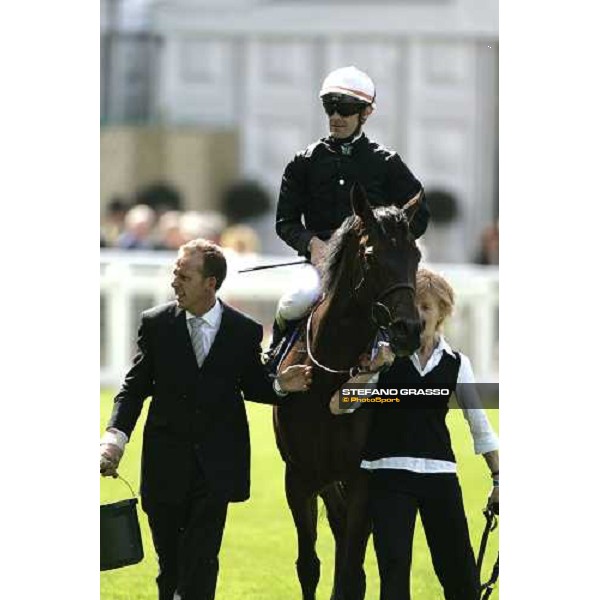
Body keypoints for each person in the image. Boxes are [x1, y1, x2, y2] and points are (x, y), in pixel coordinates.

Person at [100, 238, 312, 600]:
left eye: (183, 275)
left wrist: (281, 385)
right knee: (171, 566)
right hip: (165, 463)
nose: (174, 282)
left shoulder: (242, 331)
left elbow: (254, 385)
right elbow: (134, 388)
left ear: (210, 283)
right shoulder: (156, 324)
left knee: (202, 557)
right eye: (174, 274)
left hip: (216, 467)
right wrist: (114, 439)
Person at [330, 268, 499, 600]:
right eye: (412, 306)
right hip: (388, 475)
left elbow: (479, 424)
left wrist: (499, 479)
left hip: (440, 477)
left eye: (426, 307)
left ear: (442, 313)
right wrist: (373, 370)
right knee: (394, 575)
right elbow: (339, 405)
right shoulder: (385, 357)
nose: (417, 315)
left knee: (461, 575)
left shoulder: (456, 362)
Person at [269, 65, 431, 358]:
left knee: (405, 311)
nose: (335, 117)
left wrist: (388, 246)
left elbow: (420, 214)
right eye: (329, 107)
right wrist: (311, 244)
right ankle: (275, 356)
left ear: (366, 113)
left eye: (344, 109)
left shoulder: (386, 162)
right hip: (319, 265)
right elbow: (285, 221)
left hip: (372, 269)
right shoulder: (303, 162)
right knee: (294, 301)